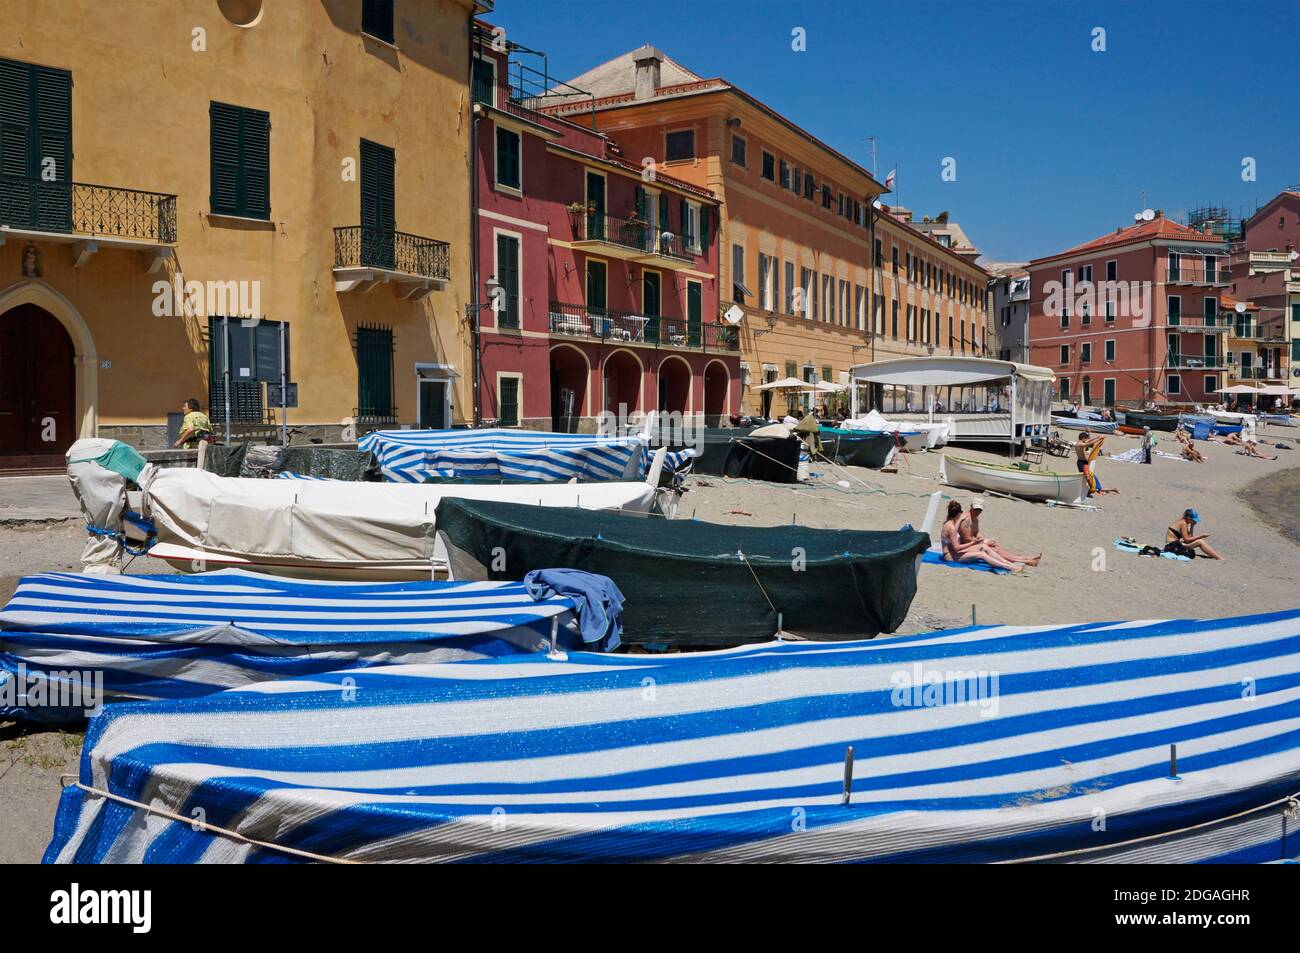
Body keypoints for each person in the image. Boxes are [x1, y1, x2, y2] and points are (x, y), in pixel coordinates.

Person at [940, 500, 1026, 572]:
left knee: (983, 546)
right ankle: (1009, 567)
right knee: (981, 554)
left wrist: (978, 542)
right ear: (958, 514)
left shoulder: (951, 523)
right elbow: (957, 548)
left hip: (954, 552)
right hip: (950, 556)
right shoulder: (951, 527)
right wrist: (973, 543)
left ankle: (1008, 563)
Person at [958, 498, 1041, 566]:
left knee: (997, 546)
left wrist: (985, 539)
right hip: (965, 547)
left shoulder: (975, 518)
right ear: (971, 507)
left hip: (972, 543)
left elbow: (976, 533)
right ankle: (1026, 561)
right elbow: (967, 540)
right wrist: (985, 542)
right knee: (994, 550)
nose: (977, 512)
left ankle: (1025, 558)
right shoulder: (967, 521)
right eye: (976, 509)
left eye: (979, 510)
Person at [1074, 429, 1106, 495]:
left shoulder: (1081, 442)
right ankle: (1091, 489)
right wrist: (1099, 439)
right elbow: (1089, 443)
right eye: (1086, 439)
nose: (1087, 440)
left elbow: (1089, 440)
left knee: (1090, 475)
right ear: (1083, 438)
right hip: (1081, 463)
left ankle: (1096, 488)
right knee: (1086, 476)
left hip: (1084, 462)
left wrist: (1097, 437)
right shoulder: (1079, 444)